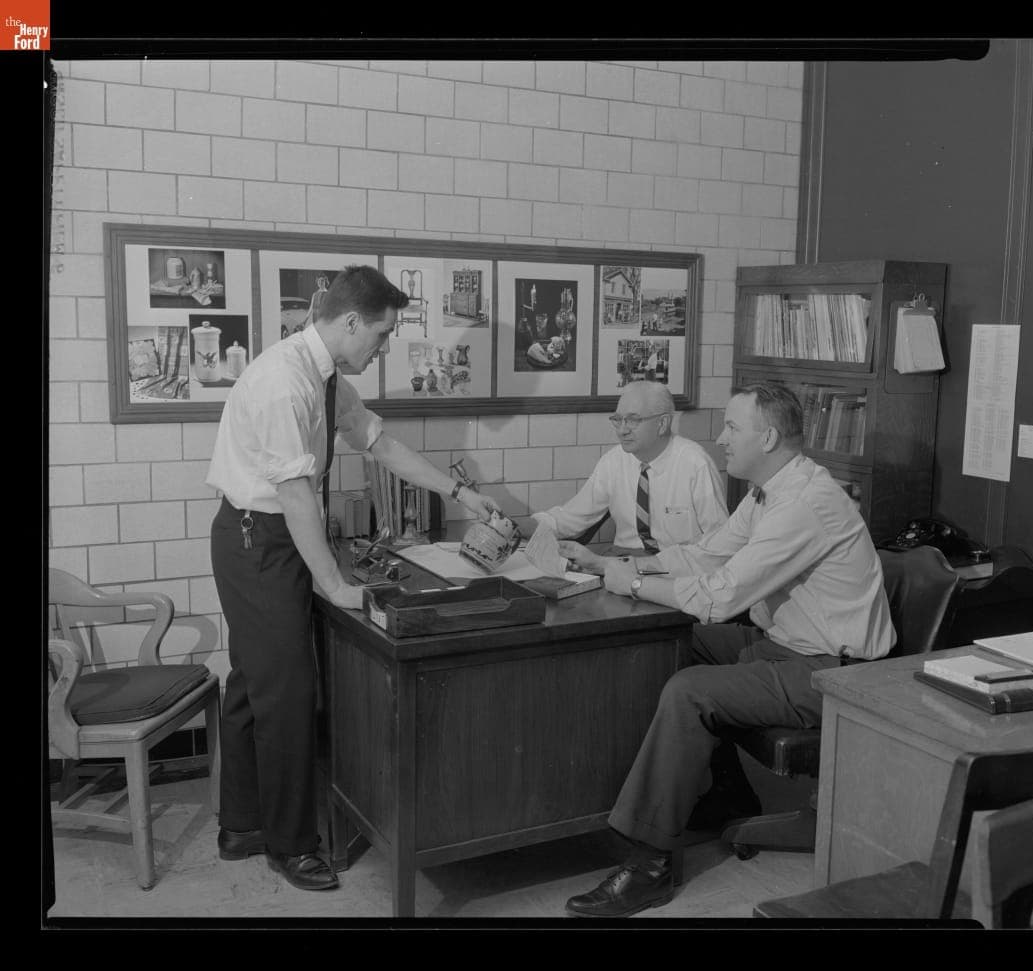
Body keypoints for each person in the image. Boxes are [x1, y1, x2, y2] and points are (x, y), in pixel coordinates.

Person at [206, 265, 499, 892]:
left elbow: (380, 445)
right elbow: (295, 496)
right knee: (286, 690)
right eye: (383, 334)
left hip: (266, 535)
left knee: (252, 683)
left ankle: (243, 823)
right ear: (349, 322)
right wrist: (333, 586)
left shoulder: (324, 374)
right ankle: (291, 845)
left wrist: (462, 493)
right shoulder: (286, 382)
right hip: (260, 539)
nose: (385, 347)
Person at [560, 382, 896, 917]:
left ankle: (649, 868)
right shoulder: (771, 490)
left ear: (766, 436)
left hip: (832, 673)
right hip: (779, 646)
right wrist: (617, 567)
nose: (720, 439)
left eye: (732, 428)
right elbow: (707, 553)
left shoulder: (806, 503)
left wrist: (634, 586)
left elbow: (719, 597)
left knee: (689, 690)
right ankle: (727, 797)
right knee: (666, 645)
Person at [532, 380, 727, 553]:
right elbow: (570, 519)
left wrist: (658, 564)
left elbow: (719, 542)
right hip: (623, 565)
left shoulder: (696, 464)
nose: (622, 430)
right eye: (618, 420)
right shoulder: (613, 461)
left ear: (662, 423)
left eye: (633, 420)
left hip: (677, 572)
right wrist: (512, 528)